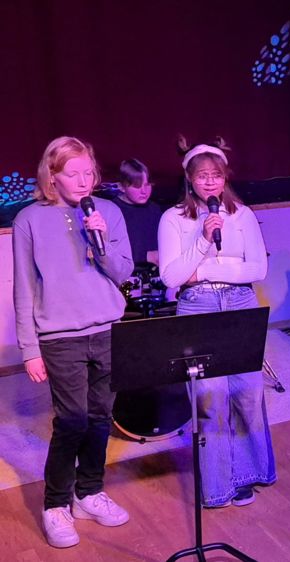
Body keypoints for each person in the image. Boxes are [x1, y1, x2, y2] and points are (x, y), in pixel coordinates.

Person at [12, 136, 133, 548]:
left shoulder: (109, 212)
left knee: (101, 417)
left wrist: (100, 242)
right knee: (72, 420)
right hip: (60, 336)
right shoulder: (29, 219)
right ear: (52, 176)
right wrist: (30, 349)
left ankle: (89, 492)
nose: (83, 181)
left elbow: (122, 272)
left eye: (88, 172)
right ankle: (55, 504)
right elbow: (24, 287)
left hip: (108, 330)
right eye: (72, 173)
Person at [157, 137, 276, 507]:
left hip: (240, 303)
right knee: (211, 398)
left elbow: (258, 269)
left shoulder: (242, 214)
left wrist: (204, 270)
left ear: (225, 178)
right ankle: (218, 486)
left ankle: (248, 473)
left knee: (248, 391)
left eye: (216, 175)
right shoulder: (173, 219)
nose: (210, 182)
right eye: (202, 176)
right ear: (190, 179)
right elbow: (171, 277)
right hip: (198, 307)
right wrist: (203, 243)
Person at [111, 158, 161, 266]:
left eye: (147, 185)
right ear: (122, 187)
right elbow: (110, 251)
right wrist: (145, 255)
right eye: (137, 186)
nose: (144, 191)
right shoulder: (112, 211)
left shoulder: (154, 209)